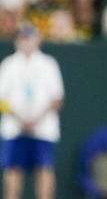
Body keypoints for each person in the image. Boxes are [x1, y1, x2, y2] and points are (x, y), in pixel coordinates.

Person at [0, 23, 64, 199]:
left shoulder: (48, 64)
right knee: (13, 169)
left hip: (43, 129)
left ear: (38, 39)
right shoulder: (8, 65)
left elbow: (57, 98)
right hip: (14, 128)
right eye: (23, 38)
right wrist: (19, 119)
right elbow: (1, 100)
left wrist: (36, 119)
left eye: (30, 37)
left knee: (44, 168)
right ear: (17, 41)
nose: (27, 42)